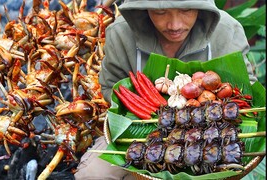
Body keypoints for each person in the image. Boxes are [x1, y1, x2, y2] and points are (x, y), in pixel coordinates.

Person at [74, 0, 257, 179]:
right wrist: (145, 111)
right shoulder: (121, 33)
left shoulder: (226, 30)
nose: (174, 25)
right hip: (139, 131)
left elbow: (246, 86)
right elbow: (110, 86)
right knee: (92, 174)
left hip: (211, 138)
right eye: (160, 12)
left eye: (186, 10)